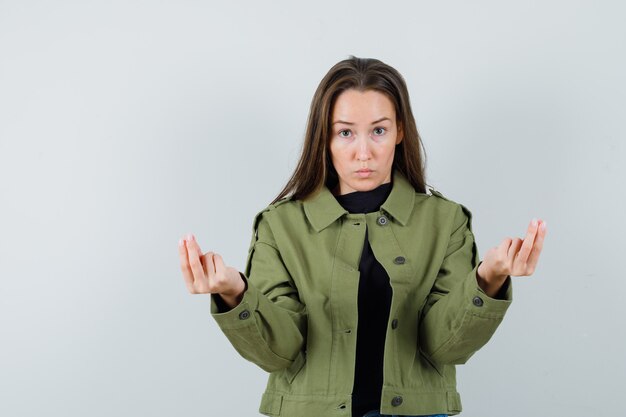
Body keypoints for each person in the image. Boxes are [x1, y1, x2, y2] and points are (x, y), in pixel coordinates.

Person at [177, 56, 547, 417]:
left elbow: (444, 347)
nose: (363, 152)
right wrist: (233, 292)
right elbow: (278, 352)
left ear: (400, 132)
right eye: (345, 132)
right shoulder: (281, 225)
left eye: (379, 130)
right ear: (325, 137)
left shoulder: (445, 220)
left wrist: (489, 279)